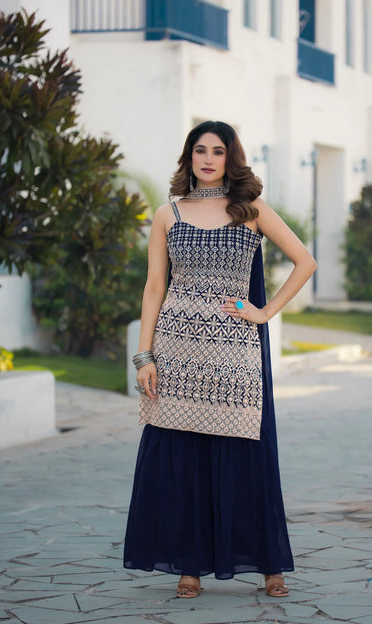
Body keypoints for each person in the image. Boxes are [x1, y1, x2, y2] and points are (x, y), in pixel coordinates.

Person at [123, 120, 316, 599]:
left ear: (231, 158)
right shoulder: (167, 214)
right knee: (183, 460)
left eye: (218, 151)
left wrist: (265, 312)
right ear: (188, 157)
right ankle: (189, 566)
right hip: (177, 351)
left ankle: (269, 564)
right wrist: (145, 356)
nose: (208, 159)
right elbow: (154, 287)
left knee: (247, 455)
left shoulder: (250, 209)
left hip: (234, 352)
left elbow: (305, 261)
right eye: (200, 150)